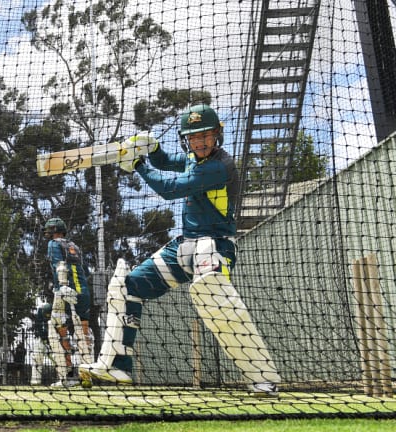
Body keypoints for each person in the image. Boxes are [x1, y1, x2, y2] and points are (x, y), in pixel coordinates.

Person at [78, 104, 281, 396]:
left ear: (217, 135)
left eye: (205, 135)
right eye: (193, 137)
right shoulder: (193, 159)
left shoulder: (219, 166)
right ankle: (117, 365)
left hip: (215, 247)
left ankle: (263, 378)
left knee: (213, 294)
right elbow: (167, 162)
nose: (199, 142)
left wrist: (137, 165)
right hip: (185, 246)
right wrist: (152, 147)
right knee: (128, 285)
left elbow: (169, 188)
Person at [43, 217, 93, 388]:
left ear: (53, 231)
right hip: (84, 292)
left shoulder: (54, 244)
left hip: (65, 293)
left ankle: (67, 376)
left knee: (58, 331)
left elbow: (59, 265)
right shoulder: (74, 246)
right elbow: (84, 270)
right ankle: (87, 375)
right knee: (83, 333)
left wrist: (63, 285)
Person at [30, 303, 52, 385]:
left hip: (52, 340)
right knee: (37, 358)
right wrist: (42, 337)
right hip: (41, 340)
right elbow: (38, 327)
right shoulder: (39, 314)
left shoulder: (53, 313)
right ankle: (35, 380)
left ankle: (63, 379)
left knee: (57, 358)